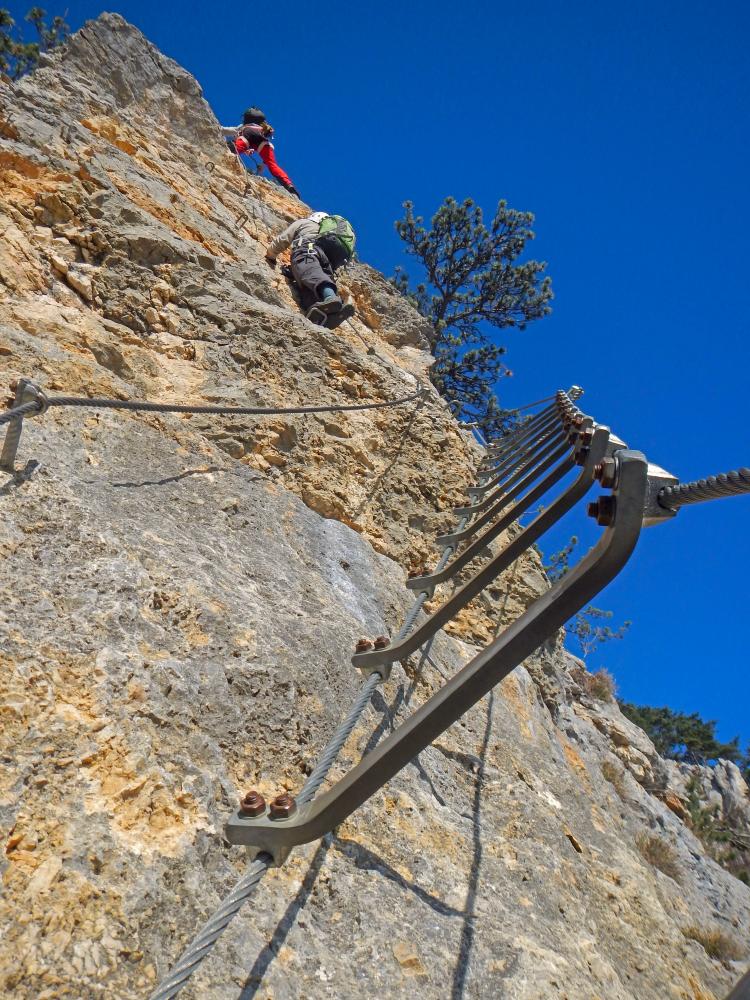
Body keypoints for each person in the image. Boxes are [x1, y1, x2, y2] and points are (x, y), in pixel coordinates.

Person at [265, 211, 356, 328]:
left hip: (307, 250)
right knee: (309, 283)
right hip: (327, 261)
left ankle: (330, 297)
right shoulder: (326, 235)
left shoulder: (305, 223)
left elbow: (284, 238)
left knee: (310, 273)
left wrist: (270, 255)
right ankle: (324, 315)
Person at [221, 107, 300, 198]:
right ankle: (290, 187)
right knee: (273, 165)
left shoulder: (243, 126)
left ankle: (226, 149)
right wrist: (262, 164)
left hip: (248, 134)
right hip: (264, 143)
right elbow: (267, 148)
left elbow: (225, 130)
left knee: (235, 147)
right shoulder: (263, 129)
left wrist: (217, 128)